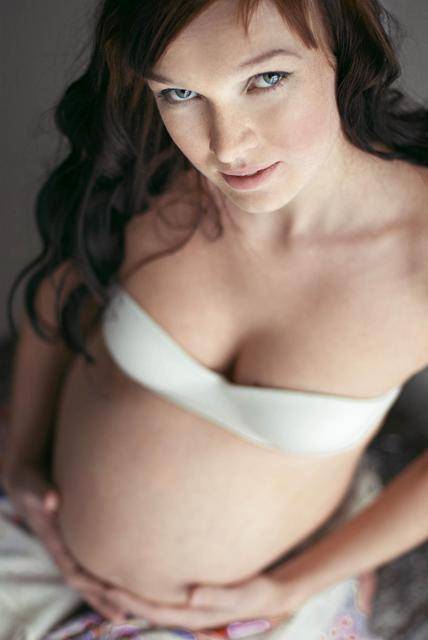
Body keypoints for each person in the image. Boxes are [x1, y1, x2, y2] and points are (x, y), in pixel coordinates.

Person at [1, 0, 428, 638]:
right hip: (35, 544)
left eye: (266, 79)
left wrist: (293, 584)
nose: (228, 145)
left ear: (342, 46)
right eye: (180, 93)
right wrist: (20, 459)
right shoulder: (152, 167)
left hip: (254, 615)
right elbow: (67, 280)